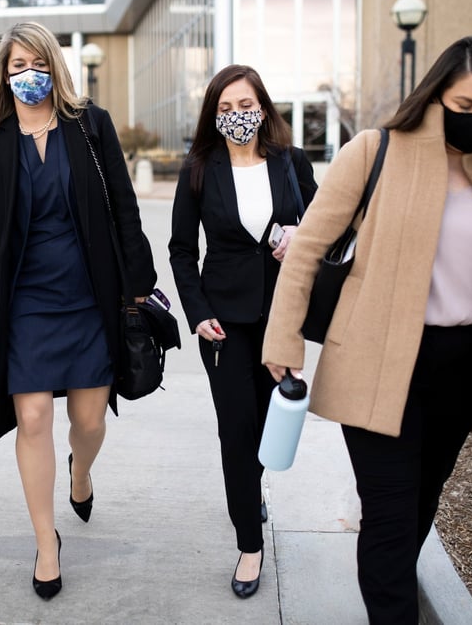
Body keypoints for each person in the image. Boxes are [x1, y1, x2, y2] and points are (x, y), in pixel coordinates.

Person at [262, 36, 472, 623]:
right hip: (375, 364)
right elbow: (306, 248)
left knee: (416, 510)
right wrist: (284, 338)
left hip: (460, 370)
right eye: (465, 106)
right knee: (388, 516)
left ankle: (388, 596)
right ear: (436, 96)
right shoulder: (374, 152)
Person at [0, 21, 156, 600]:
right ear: (4, 75)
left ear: (55, 67)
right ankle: (47, 541)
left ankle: (80, 471)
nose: (28, 74)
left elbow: (124, 206)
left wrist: (139, 286)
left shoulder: (89, 125)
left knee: (89, 420)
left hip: (90, 294)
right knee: (34, 417)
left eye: (37, 63)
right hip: (27, 302)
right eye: (17, 65)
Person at [168, 64, 317, 599]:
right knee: (236, 431)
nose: (237, 116)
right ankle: (249, 545)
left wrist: (301, 234)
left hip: (281, 317)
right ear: (214, 115)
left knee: (266, 425)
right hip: (223, 324)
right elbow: (181, 250)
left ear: (263, 107)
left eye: (245, 105)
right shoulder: (198, 169)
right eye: (225, 108)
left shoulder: (291, 162)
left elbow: (326, 222)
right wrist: (197, 311)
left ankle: (251, 493)